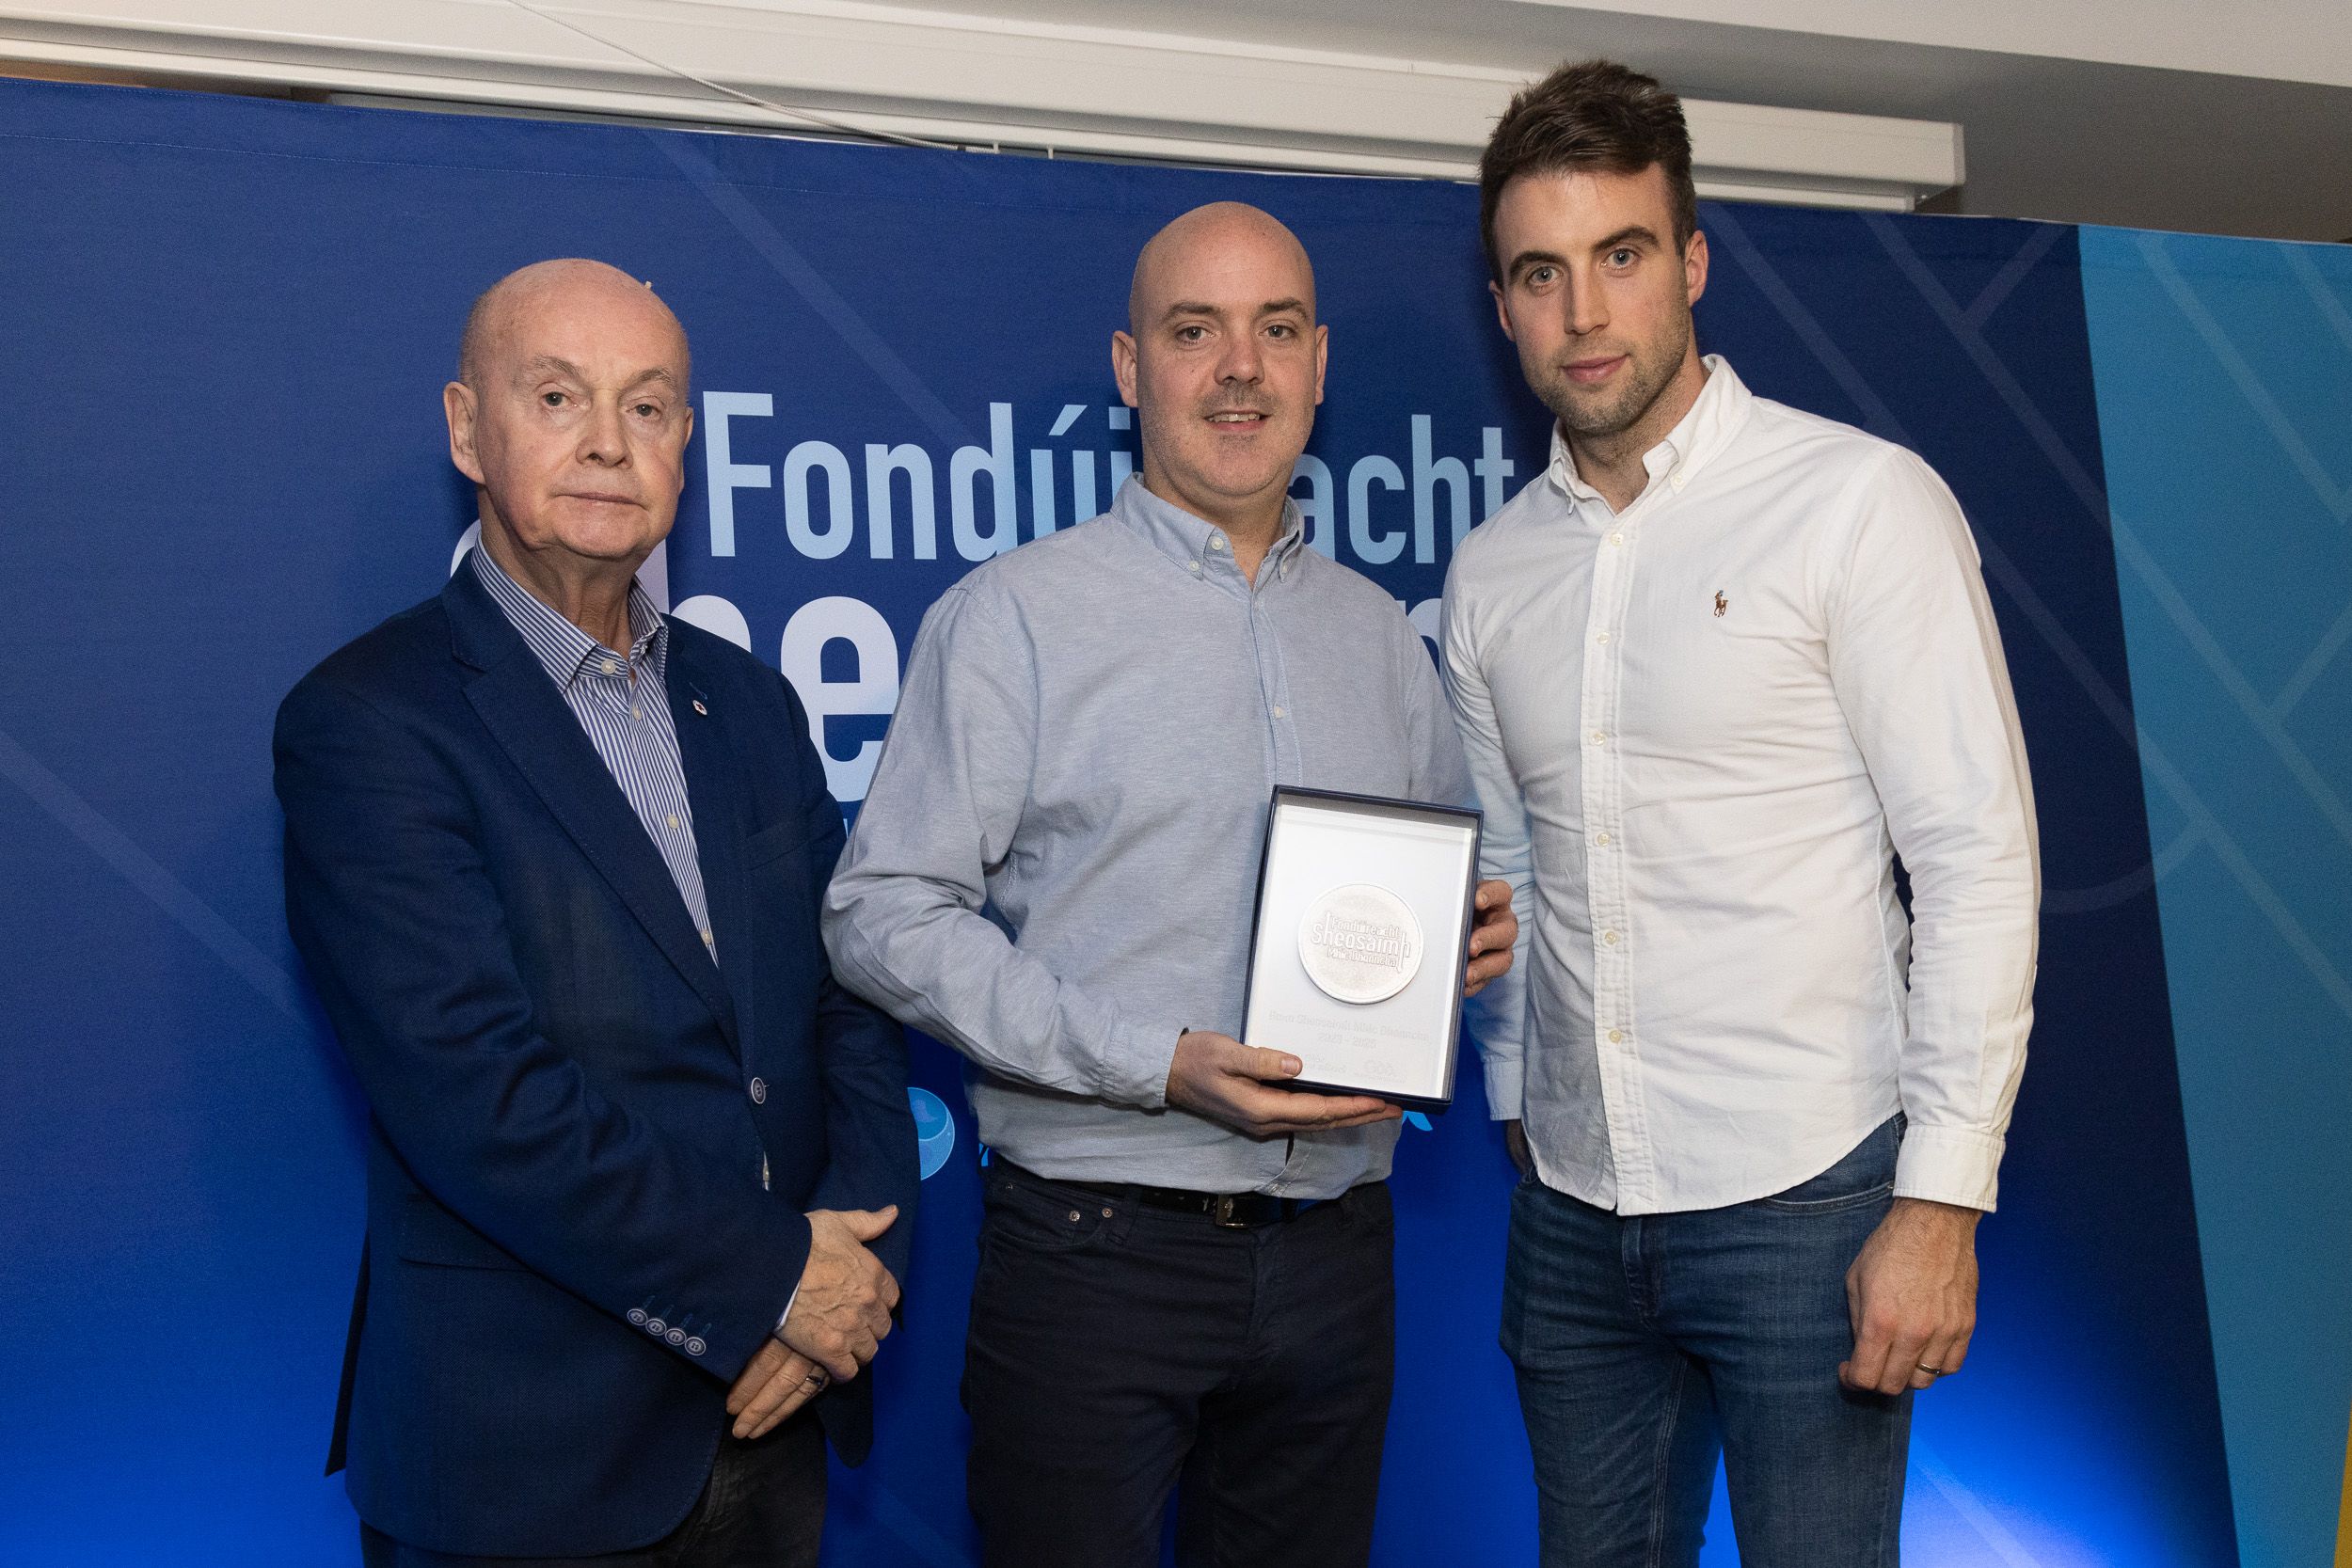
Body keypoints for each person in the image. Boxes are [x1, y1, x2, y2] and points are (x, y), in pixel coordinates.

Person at [821, 202, 1518, 1568]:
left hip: (1335, 1259)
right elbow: (879, 911)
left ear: (1320, 364)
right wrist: (1156, 1061)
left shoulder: (1385, 641)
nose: (1239, 368)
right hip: (1095, 1260)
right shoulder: (1013, 618)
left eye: (1273, 332)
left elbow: (1422, 904)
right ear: (1134, 368)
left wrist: (1458, 945)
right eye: (1196, 332)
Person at [1442, 61, 2040, 1568]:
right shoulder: (1490, 575)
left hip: (1812, 1202)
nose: (1583, 312)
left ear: (1692, 264)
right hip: (1573, 1219)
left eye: (1621, 257)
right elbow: (1508, 866)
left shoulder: (1857, 504)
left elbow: (1975, 860)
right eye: (1541, 273)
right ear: (1503, 306)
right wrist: (1518, 1102)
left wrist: (1941, 1204)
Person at [274, 259, 918, 1568]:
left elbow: (846, 995)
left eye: (649, 406)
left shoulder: (749, 703)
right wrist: (780, 1281)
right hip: (524, 1458)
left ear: (687, 443)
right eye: (558, 396)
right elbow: (475, 1098)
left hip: (775, 1423)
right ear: (469, 427)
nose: (608, 445)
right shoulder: (370, 720)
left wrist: (847, 1270)